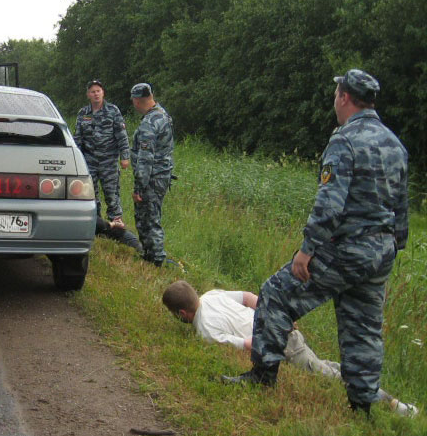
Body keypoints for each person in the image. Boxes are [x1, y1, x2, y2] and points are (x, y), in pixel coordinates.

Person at [221, 70, 410, 416]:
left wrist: (306, 251)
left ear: (344, 98)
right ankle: (362, 406)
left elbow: (330, 205)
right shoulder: (394, 144)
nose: (335, 99)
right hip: (380, 251)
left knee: (276, 294)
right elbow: (401, 208)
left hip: (347, 247)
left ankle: (262, 375)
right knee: (364, 328)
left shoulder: (345, 140)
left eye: (337, 93)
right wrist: (390, 255)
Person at [162, 281, 418, 417]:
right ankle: (361, 380)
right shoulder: (212, 295)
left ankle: (393, 404)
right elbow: (251, 298)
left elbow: (249, 345)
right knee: (326, 369)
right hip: (282, 329)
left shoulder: (204, 330)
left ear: (182, 313)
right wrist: (277, 316)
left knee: (328, 376)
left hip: (284, 343)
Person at [130, 83, 174, 267]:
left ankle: (156, 259)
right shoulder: (162, 114)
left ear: (137, 101)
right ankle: (150, 254)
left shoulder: (150, 122)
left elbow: (146, 158)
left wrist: (139, 187)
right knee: (150, 215)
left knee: (149, 218)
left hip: (152, 179)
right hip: (162, 176)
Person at [74, 80, 130, 224]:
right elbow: (78, 138)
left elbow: (121, 136)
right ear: (88, 95)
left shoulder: (113, 111)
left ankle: (116, 224)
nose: (96, 94)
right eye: (93, 92)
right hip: (89, 161)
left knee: (112, 194)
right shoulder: (83, 113)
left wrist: (125, 157)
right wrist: (76, 160)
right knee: (90, 194)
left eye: (98, 91)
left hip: (108, 161)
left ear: (103, 93)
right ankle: (96, 224)